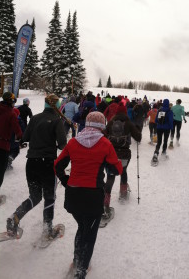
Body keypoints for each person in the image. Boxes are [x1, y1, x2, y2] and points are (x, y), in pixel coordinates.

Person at [54, 111, 122, 279]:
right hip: (92, 196)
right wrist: (108, 163)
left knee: (82, 227)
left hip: (73, 195)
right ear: (102, 126)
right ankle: (81, 271)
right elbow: (117, 170)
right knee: (89, 235)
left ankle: (77, 261)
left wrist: (65, 181)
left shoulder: (74, 142)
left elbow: (57, 165)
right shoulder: (105, 144)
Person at [6, 94, 67, 238]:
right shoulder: (57, 121)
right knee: (49, 197)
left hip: (32, 163)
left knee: (35, 196)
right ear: (57, 106)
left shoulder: (34, 118)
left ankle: (15, 217)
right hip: (47, 164)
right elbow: (63, 144)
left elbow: (25, 137)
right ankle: (47, 229)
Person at [103, 102, 141, 216]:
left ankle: (106, 202)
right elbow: (138, 137)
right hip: (124, 154)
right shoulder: (128, 123)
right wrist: (137, 129)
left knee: (110, 175)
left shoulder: (110, 122)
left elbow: (104, 136)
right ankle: (123, 194)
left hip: (111, 154)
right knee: (123, 171)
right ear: (125, 112)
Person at [0, 92, 22, 205]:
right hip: (2, 146)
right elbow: (17, 131)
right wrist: (22, 138)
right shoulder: (11, 114)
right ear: (10, 101)